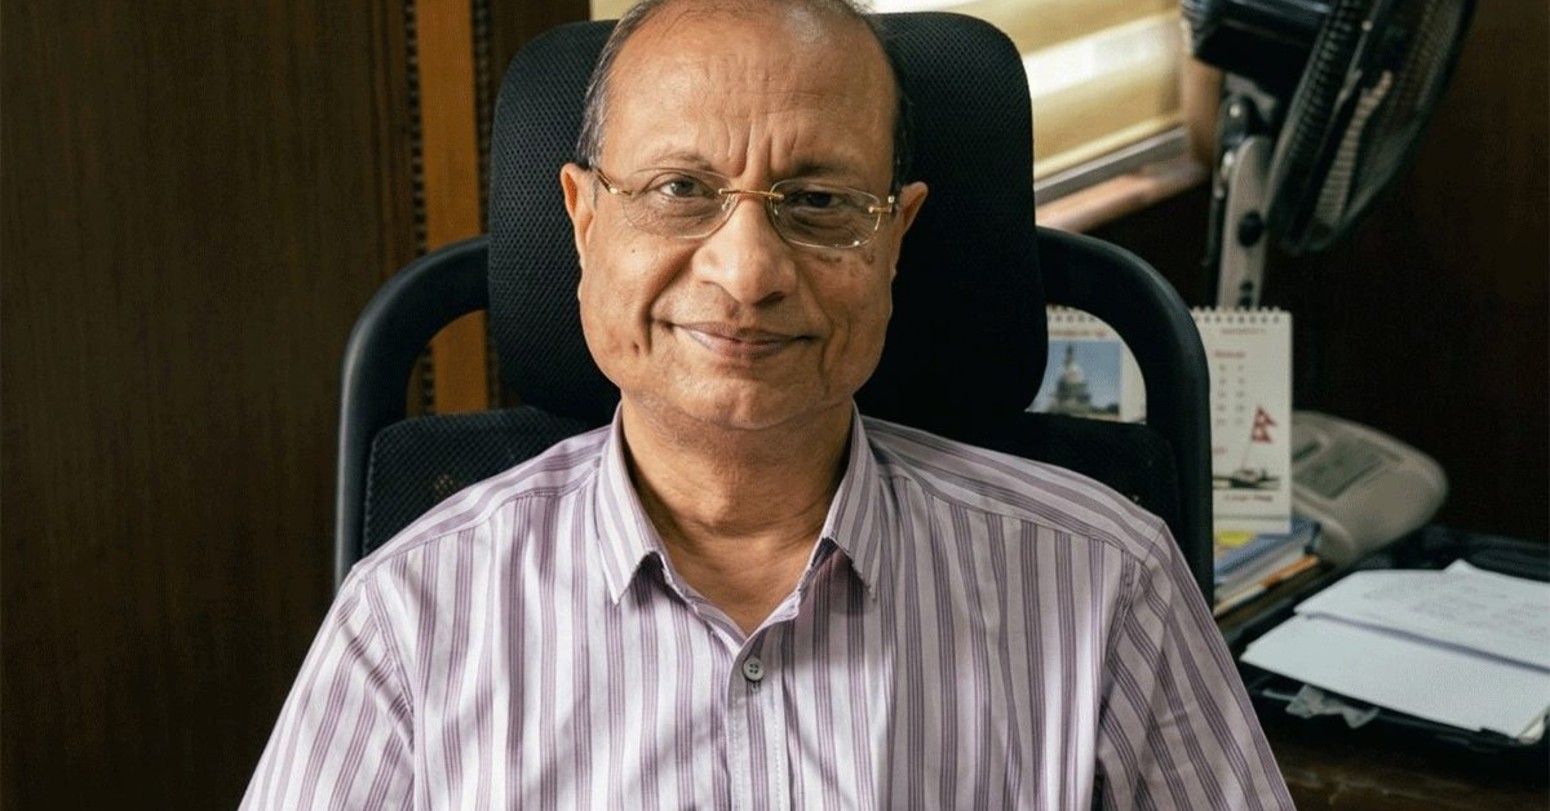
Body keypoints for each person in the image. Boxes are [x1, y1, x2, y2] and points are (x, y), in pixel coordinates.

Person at [242, 0, 1295, 808]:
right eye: (679, 190)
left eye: (820, 202)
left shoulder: (1108, 586)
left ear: (895, 237)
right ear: (583, 219)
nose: (746, 272)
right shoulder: (412, 617)